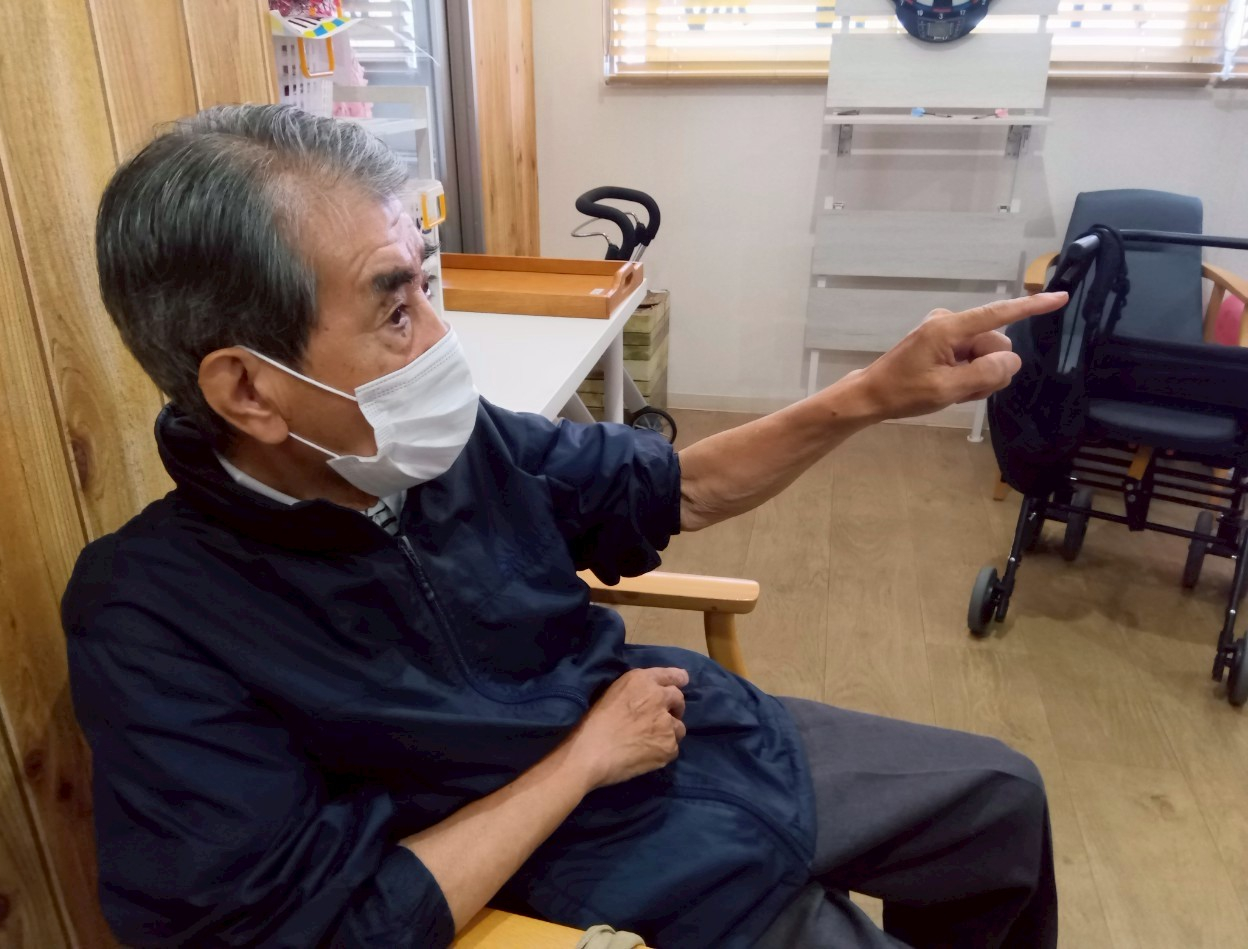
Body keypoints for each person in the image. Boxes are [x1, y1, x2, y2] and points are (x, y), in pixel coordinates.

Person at [63, 104, 1064, 949]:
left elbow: (671, 489)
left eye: (426, 285)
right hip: (589, 864)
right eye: (396, 311)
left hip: (688, 738)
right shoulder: (154, 617)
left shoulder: (444, 447)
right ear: (248, 389)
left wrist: (869, 394)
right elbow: (296, 928)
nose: (441, 338)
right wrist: (581, 760)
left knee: (1000, 802)